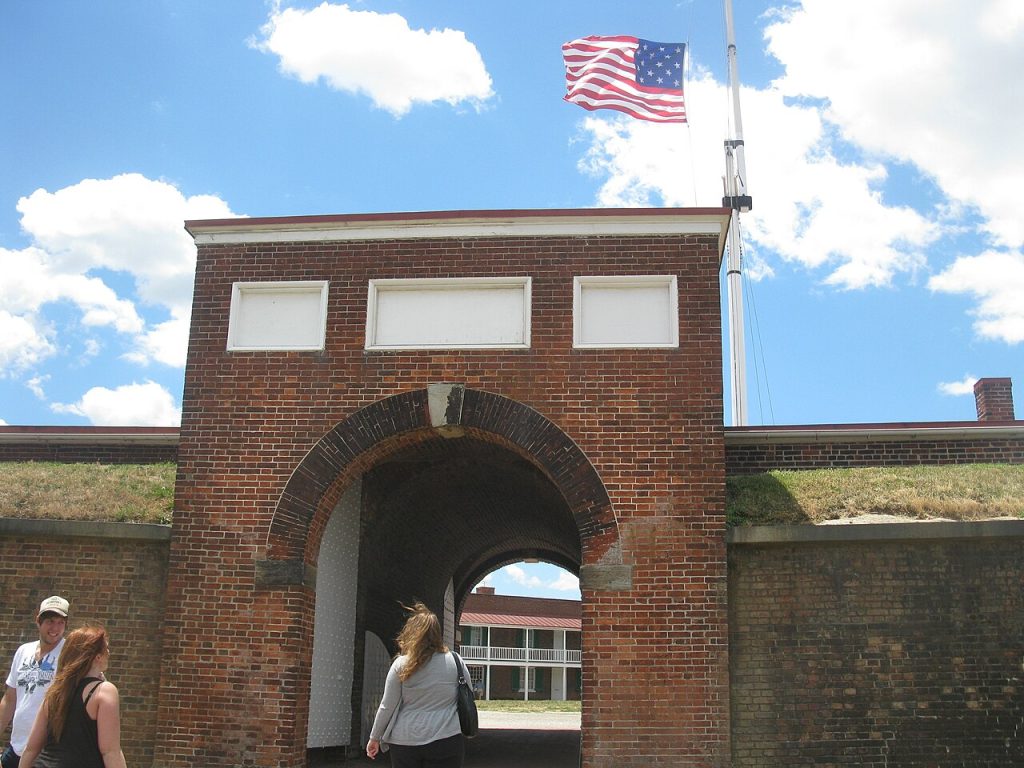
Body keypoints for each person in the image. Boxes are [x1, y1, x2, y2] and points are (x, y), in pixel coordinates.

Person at [366, 602, 466, 768]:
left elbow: (387, 706)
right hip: (446, 738)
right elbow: (467, 694)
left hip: (405, 740)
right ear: (437, 633)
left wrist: (374, 737)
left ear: (412, 633)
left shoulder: (401, 664)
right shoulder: (455, 661)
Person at [18, 626, 125, 768]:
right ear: (98, 657)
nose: (109, 653)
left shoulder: (55, 692)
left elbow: (31, 748)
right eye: (106, 648)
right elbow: (110, 751)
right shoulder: (104, 691)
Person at [1, 597, 70, 768]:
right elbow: (10, 699)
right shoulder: (24, 651)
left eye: (60, 622)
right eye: (50, 621)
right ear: (38, 620)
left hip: (47, 751)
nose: (55, 628)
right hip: (16, 747)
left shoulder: (70, 654)